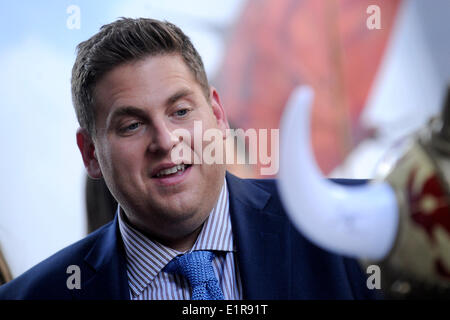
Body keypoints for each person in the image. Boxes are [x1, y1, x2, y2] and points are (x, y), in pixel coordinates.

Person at [0, 18, 377, 300]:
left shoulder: (358, 226)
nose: (166, 141)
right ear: (90, 154)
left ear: (217, 113)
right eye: (132, 125)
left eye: (180, 112)